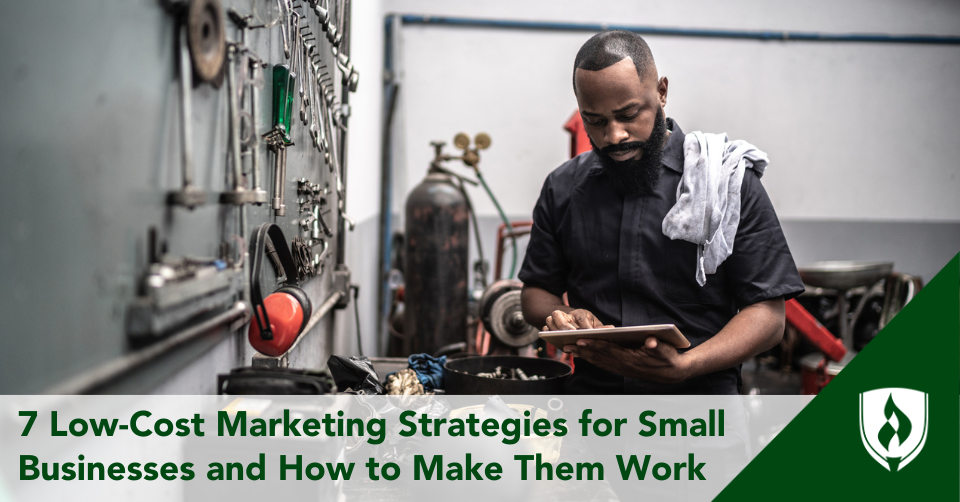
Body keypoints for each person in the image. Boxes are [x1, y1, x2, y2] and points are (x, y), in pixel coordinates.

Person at [518, 30, 805, 394]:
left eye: (628, 114)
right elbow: (535, 292)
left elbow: (767, 316)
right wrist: (562, 316)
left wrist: (686, 366)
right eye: (595, 120)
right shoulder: (563, 188)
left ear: (662, 92)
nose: (614, 135)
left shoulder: (724, 182)